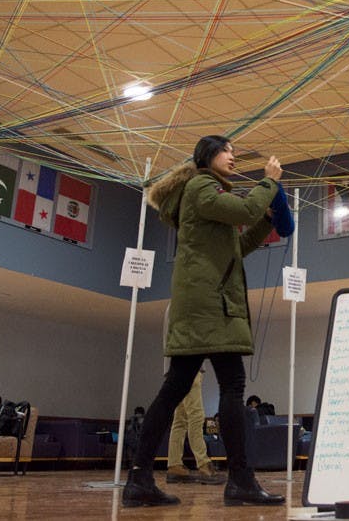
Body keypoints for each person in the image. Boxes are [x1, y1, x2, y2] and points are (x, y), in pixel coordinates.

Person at [122, 135, 285, 508]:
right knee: (232, 385)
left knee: (174, 389)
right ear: (206, 156)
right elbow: (244, 212)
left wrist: (265, 223)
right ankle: (240, 482)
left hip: (202, 307)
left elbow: (236, 248)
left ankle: (139, 480)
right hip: (211, 306)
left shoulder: (202, 194)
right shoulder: (201, 186)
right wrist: (269, 182)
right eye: (227, 150)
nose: (233, 157)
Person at [166, 369, 226, 485]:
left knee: (180, 420)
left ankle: (174, 466)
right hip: (190, 366)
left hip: (174, 371)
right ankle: (204, 465)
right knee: (196, 416)